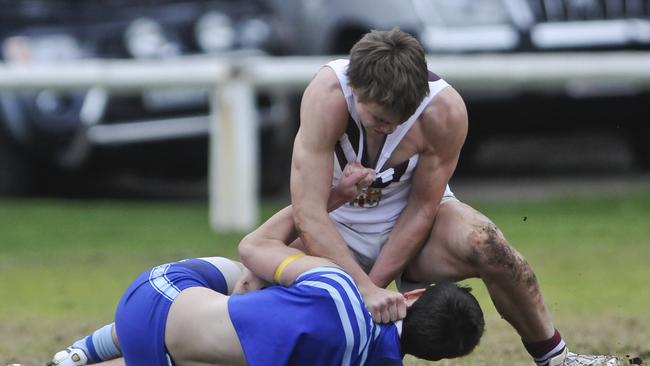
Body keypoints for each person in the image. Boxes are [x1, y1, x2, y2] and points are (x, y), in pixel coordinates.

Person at [289, 27, 619, 366]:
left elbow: (421, 208)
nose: (389, 128)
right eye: (379, 119)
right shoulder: (326, 95)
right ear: (355, 87)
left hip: (413, 229)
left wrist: (373, 288)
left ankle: (557, 359)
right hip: (335, 227)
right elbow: (309, 214)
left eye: (400, 120)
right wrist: (361, 289)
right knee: (255, 279)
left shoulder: (444, 109)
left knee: (489, 245)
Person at [48, 164, 485, 366]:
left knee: (241, 274)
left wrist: (332, 196)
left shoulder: (339, 286)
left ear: (411, 295)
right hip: (168, 357)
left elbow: (254, 245)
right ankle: (81, 359)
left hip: (151, 301)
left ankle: (83, 350)